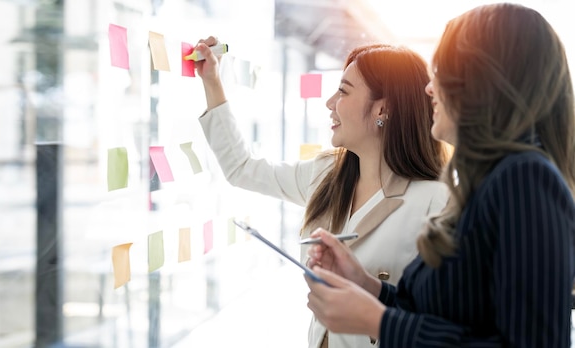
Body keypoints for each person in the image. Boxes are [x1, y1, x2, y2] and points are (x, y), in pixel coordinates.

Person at [304, 3, 575, 347]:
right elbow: (452, 316)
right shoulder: (490, 182)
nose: (430, 89)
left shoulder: (524, 179)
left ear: (484, 80)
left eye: (442, 72)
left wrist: (378, 321)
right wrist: (365, 286)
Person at [193, 37, 450, 347]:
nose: (330, 103)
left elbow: (438, 322)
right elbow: (242, 169)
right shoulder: (326, 174)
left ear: (382, 108)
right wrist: (212, 81)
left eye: (343, 91)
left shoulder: (435, 202)